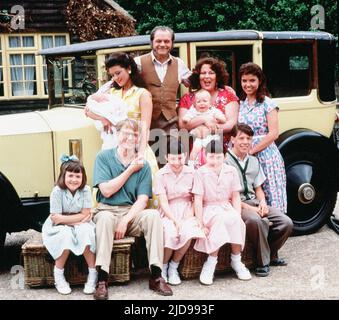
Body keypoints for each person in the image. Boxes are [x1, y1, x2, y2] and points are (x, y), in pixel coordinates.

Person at [92, 119, 172, 300]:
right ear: (117, 134)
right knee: (104, 219)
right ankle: (102, 279)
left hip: (130, 212)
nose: (129, 137)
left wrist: (126, 220)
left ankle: (157, 275)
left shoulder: (142, 165)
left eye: (134, 134)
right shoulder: (103, 157)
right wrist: (129, 170)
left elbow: (143, 200)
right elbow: (106, 190)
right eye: (125, 133)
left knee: (152, 216)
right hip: (107, 210)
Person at [85, 52, 159, 207]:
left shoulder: (142, 94)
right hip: (113, 144)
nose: (116, 78)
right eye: (112, 75)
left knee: (139, 184)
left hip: (136, 143)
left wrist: (141, 152)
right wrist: (103, 118)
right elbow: (88, 110)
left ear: (129, 69)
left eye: (118, 73)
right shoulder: (110, 92)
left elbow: (145, 125)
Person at [226, 123, 293, 277]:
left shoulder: (254, 161)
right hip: (236, 204)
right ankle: (263, 263)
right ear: (233, 140)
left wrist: (262, 202)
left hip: (254, 201)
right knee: (256, 221)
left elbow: (258, 189)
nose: (245, 142)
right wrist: (252, 209)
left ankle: (269, 253)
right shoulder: (225, 162)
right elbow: (228, 196)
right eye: (241, 138)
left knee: (286, 222)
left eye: (248, 138)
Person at [192, 140, 252, 285]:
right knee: (219, 220)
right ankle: (211, 262)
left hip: (226, 206)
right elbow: (198, 200)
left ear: (224, 156)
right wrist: (200, 222)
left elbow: (235, 196)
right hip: (209, 209)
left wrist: (237, 214)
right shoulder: (201, 173)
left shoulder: (231, 171)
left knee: (235, 220)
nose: (215, 161)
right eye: (211, 157)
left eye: (218, 157)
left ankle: (236, 260)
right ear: (205, 156)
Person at [42, 155, 97, 295]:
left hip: (80, 223)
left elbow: (85, 214)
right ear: (63, 176)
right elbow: (55, 218)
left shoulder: (85, 190)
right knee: (65, 235)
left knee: (86, 232)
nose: (74, 179)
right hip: (57, 227)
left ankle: (93, 273)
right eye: (70, 175)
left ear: (83, 177)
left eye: (78, 176)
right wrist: (76, 219)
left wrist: (69, 218)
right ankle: (59, 274)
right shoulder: (57, 191)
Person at [154, 139, 205, 285]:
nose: (177, 162)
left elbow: (195, 198)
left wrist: (191, 218)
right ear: (166, 157)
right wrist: (175, 220)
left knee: (188, 232)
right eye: (173, 158)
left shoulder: (192, 173)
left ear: (185, 156)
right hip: (168, 211)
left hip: (187, 210)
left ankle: (174, 267)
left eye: (180, 157)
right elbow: (163, 202)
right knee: (170, 233)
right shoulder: (161, 175)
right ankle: (163, 267)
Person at [238, 62, 287, 213]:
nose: (248, 84)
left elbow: (274, 133)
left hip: (266, 155)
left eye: (252, 80)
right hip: (247, 153)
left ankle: (278, 228)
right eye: (244, 80)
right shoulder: (242, 104)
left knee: (271, 191)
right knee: (254, 193)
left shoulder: (268, 103)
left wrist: (252, 151)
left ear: (259, 81)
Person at [178, 56, 239, 159]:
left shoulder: (228, 96)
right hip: (196, 153)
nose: (207, 76)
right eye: (203, 73)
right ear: (198, 76)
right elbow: (183, 126)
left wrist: (207, 130)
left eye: (211, 73)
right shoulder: (187, 99)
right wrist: (204, 119)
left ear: (217, 76)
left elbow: (230, 124)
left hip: (223, 152)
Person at [134, 26, 191, 133]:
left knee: (175, 149)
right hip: (145, 123)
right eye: (158, 41)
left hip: (171, 124)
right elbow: (121, 81)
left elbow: (194, 82)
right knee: (145, 150)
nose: (163, 44)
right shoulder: (138, 62)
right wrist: (99, 94)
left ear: (172, 43)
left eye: (166, 41)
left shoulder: (179, 63)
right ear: (152, 42)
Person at [182, 89, 226, 166]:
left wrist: (219, 118)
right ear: (195, 104)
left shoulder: (213, 111)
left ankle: (210, 165)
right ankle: (191, 164)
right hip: (198, 137)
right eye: (198, 102)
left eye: (204, 101)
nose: (202, 104)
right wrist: (187, 119)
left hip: (210, 136)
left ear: (210, 104)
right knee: (195, 149)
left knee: (209, 151)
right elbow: (186, 118)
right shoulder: (194, 111)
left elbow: (223, 119)